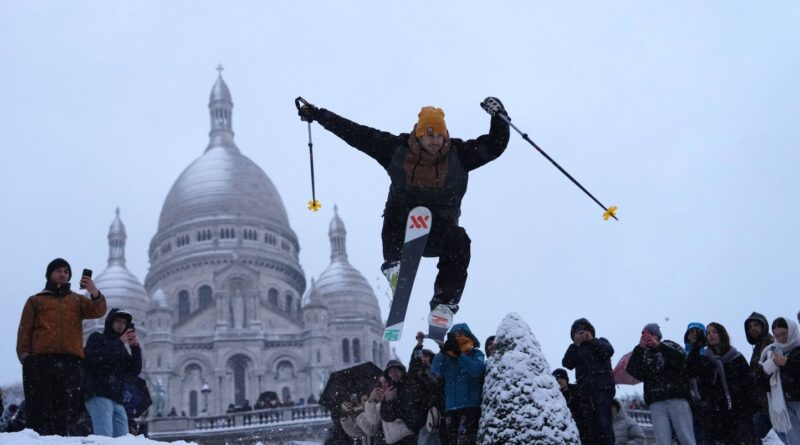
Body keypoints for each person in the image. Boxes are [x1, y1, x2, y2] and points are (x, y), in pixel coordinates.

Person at [298, 98, 510, 314]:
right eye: (429, 135)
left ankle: (444, 303)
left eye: (439, 135)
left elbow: (494, 145)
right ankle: (394, 267)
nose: (435, 141)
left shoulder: (460, 154)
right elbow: (356, 134)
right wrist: (318, 114)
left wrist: (499, 116)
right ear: (418, 134)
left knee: (460, 239)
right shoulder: (396, 150)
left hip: (438, 233)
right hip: (402, 230)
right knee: (396, 208)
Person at [16, 258, 107, 436]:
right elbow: (24, 330)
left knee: (65, 409)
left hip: (71, 361)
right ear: (50, 274)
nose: (62, 274)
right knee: (39, 407)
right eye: (58, 270)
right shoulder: (36, 300)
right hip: (41, 360)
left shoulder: (77, 300)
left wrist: (93, 291)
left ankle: (60, 440)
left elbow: (98, 311)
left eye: (66, 271)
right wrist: (25, 357)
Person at [686, 322, 757, 445]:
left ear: (722, 334)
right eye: (708, 333)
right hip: (713, 413)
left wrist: (750, 407)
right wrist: (696, 347)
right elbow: (691, 371)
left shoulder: (736, 357)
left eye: (714, 332)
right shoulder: (704, 358)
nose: (711, 335)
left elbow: (749, 383)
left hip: (737, 411)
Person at [625, 323, 695, 445]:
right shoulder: (642, 353)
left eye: (649, 334)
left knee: (685, 435)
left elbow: (683, 359)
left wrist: (659, 346)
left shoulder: (669, 345)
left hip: (677, 397)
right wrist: (639, 348)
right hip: (656, 400)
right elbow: (633, 370)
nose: (646, 337)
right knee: (662, 440)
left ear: (657, 335)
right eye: (643, 334)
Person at [83, 308, 143, 437]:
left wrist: (135, 348)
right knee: (105, 437)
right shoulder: (96, 338)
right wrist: (119, 343)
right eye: (118, 321)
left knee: (122, 439)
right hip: (98, 394)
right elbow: (95, 359)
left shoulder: (121, 348)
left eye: (124, 322)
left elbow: (134, 371)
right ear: (110, 322)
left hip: (117, 399)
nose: (121, 324)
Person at [562, 318, 616, 445]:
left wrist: (592, 340)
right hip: (585, 394)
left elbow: (609, 351)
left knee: (604, 425)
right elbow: (566, 363)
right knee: (590, 429)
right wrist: (575, 345)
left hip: (603, 390)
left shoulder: (600, 342)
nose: (582, 333)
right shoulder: (575, 349)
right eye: (578, 332)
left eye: (584, 330)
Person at [431, 323, 485, 445]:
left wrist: (460, 355)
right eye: (454, 336)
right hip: (451, 409)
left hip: (470, 408)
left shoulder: (476, 354)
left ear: (468, 336)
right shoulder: (447, 358)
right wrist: (442, 351)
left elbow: (477, 370)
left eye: (460, 334)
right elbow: (435, 372)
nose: (457, 337)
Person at [757, 316, 800, 444]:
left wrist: (788, 363)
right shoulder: (771, 352)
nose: (781, 338)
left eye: (784, 334)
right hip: (785, 405)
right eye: (777, 335)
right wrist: (766, 370)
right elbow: (761, 384)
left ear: (791, 330)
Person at [744, 312, 776, 442]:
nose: (753, 329)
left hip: (773, 401)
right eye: (750, 327)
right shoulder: (757, 347)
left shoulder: (771, 343)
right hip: (761, 403)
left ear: (764, 326)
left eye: (756, 325)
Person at [380, 359, 427, 444]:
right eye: (390, 371)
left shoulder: (412, 383)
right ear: (388, 375)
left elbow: (423, 401)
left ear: (401, 371)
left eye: (396, 370)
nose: (394, 373)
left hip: (420, 430)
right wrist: (387, 401)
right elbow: (387, 416)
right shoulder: (390, 391)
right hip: (403, 436)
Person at [684, 322, 708, 444]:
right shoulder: (682, 354)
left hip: (704, 399)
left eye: (697, 332)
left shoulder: (707, 354)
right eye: (691, 331)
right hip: (687, 399)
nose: (694, 334)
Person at [552, 368, 588, 443]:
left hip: (583, 426)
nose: (559, 381)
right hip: (565, 429)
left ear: (566, 379)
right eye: (556, 379)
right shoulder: (553, 395)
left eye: (561, 378)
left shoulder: (578, 390)